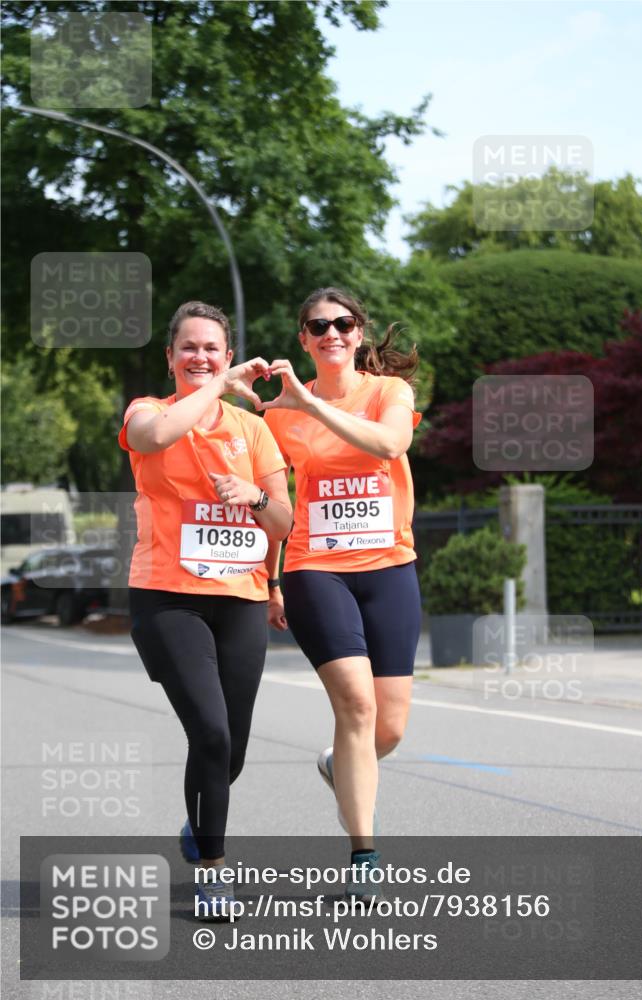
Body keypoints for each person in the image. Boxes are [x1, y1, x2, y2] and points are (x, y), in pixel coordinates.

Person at [119, 301, 292, 919]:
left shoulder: (253, 430)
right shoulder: (149, 411)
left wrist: (253, 497)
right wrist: (216, 386)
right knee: (211, 732)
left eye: (212, 349)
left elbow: (284, 520)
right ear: (171, 358)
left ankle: (198, 822)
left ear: (226, 352)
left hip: (240, 597)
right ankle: (213, 872)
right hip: (168, 597)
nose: (200, 356)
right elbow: (154, 438)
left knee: (231, 747)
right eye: (188, 348)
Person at [261, 286, 421, 900]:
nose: (331, 333)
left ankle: (337, 764)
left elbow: (388, 445)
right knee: (356, 705)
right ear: (303, 338)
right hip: (314, 569)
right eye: (317, 325)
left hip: (389, 567)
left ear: (359, 332)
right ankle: (364, 853)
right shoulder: (279, 412)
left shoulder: (389, 393)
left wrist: (309, 404)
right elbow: (278, 501)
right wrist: (273, 578)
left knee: (391, 726)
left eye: (343, 323)